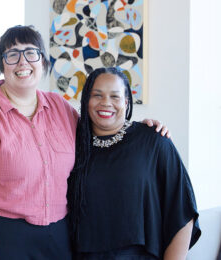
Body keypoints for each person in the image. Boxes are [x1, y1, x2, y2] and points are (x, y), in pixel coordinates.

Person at [0, 25, 168, 260]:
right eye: (12, 55)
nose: (22, 62)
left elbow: (98, 133)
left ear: (43, 61)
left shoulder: (59, 106)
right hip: (2, 235)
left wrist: (138, 129)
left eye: (31, 53)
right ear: (2, 65)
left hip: (57, 237)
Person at [67, 67, 201, 260]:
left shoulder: (154, 141)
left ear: (126, 102)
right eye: (97, 95)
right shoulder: (71, 145)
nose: (106, 103)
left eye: (115, 96)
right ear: (86, 100)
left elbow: (183, 212)